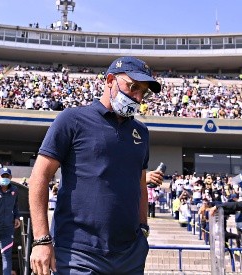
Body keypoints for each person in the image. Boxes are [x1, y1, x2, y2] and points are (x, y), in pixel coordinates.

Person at [29, 56, 162, 275]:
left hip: (129, 255)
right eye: (133, 87)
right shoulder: (71, 120)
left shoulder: (141, 133)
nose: (138, 97)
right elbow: (39, 178)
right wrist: (41, 240)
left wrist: (143, 231)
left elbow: (140, 185)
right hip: (78, 253)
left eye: (144, 92)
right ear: (110, 80)